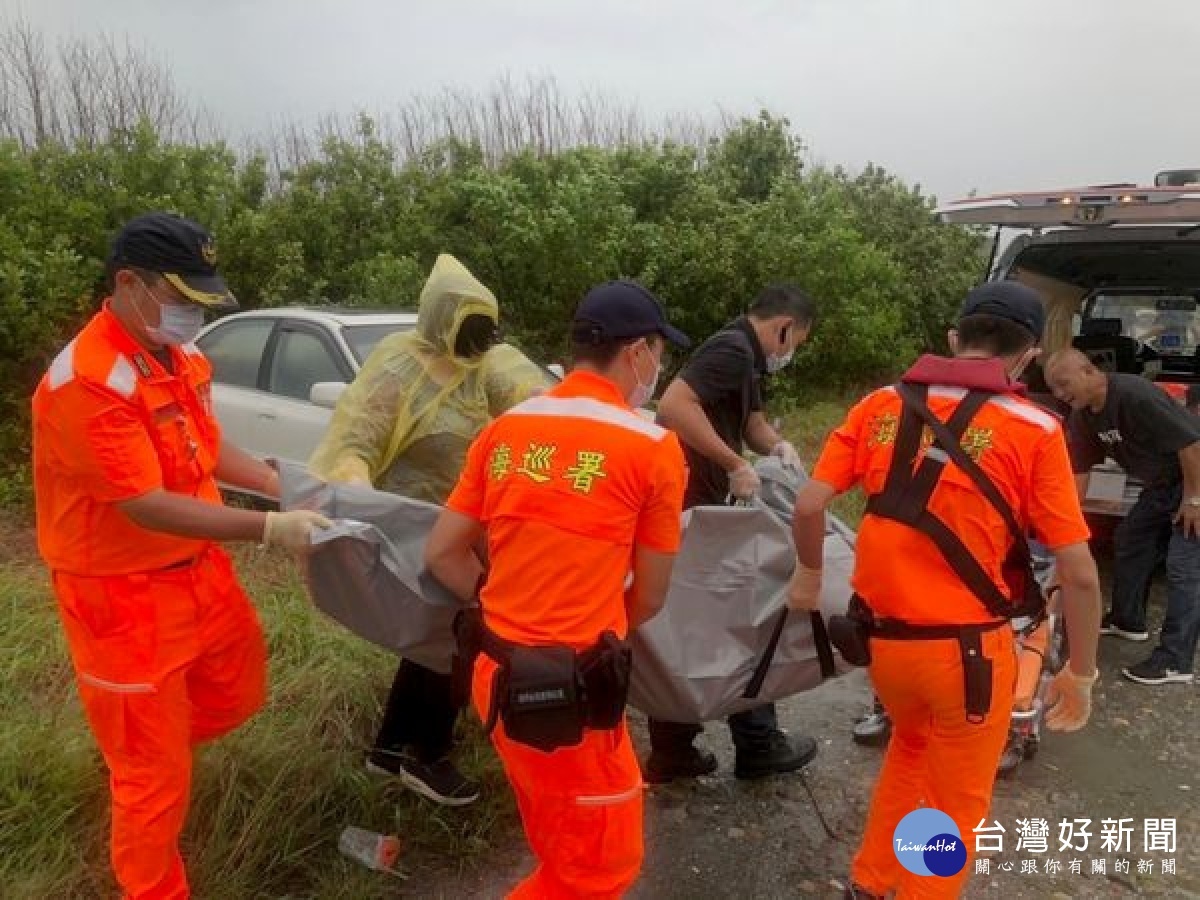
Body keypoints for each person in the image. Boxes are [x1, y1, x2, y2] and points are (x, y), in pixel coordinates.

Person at [31, 212, 330, 900]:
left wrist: (272, 481)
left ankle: (138, 748)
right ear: (128, 283)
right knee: (152, 781)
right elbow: (145, 503)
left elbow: (204, 444)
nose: (191, 315)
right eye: (180, 299)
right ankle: (149, 852)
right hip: (119, 598)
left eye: (200, 302)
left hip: (195, 573)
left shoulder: (183, 358)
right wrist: (265, 530)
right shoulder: (87, 382)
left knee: (239, 688)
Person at [790, 281, 1102, 899]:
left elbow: (808, 503)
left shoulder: (880, 405)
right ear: (1030, 353)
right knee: (958, 805)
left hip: (884, 645)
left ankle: (873, 882)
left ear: (955, 338)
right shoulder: (1037, 429)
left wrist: (808, 573)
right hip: (967, 658)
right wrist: (1082, 673)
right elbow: (1080, 570)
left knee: (910, 751)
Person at [424, 279, 690, 897]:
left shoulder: (509, 428)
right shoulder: (651, 448)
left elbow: (442, 552)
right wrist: (590, 626)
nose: (658, 365)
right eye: (658, 351)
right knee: (600, 866)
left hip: (494, 673)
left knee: (557, 832)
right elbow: (649, 597)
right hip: (573, 692)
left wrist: (511, 609)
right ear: (636, 354)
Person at [309, 253, 550, 805]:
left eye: (484, 330)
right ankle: (428, 754)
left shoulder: (484, 363)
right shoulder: (398, 367)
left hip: (464, 522)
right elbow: (353, 438)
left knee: (434, 636)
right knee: (457, 635)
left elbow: (526, 393)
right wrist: (356, 489)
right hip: (410, 522)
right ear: (439, 319)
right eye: (466, 328)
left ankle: (390, 750)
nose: (476, 342)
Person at [644, 283, 818, 782]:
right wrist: (734, 462)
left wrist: (778, 447)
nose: (790, 354)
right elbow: (675, 407)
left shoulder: (746, 357)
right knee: (742, 614)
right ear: (784, 327)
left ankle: (677, 751)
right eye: (796, 342)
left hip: (705, 506)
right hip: (690, 506)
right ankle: (752, 744)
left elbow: (752, 422)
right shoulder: (732, 348)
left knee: (697, 620)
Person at [1044, 348, 1200, 684]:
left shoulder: (1134, 394)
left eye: (1063, 384)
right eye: (1053, 388)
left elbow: (1190, 442)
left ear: (1088, 371)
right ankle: (1128, 621)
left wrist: (1194, 499)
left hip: (1194, 480)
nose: (1059, 394)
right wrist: (1066, 528)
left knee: (1183, 567)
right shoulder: (1084, 415)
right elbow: (1081, 473)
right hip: (1161, 486)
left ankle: (1176, 660)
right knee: (1130, 538)